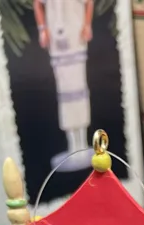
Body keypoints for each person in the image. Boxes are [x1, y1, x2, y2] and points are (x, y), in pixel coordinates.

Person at [34, 0, 95, 170]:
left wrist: (87, 25)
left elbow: (89, 2)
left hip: (76, 36)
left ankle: (83, 143)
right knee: (64, 92)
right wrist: (43, 29)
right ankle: (72, 145)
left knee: (79, 88)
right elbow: (37, 3)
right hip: (57, 38)